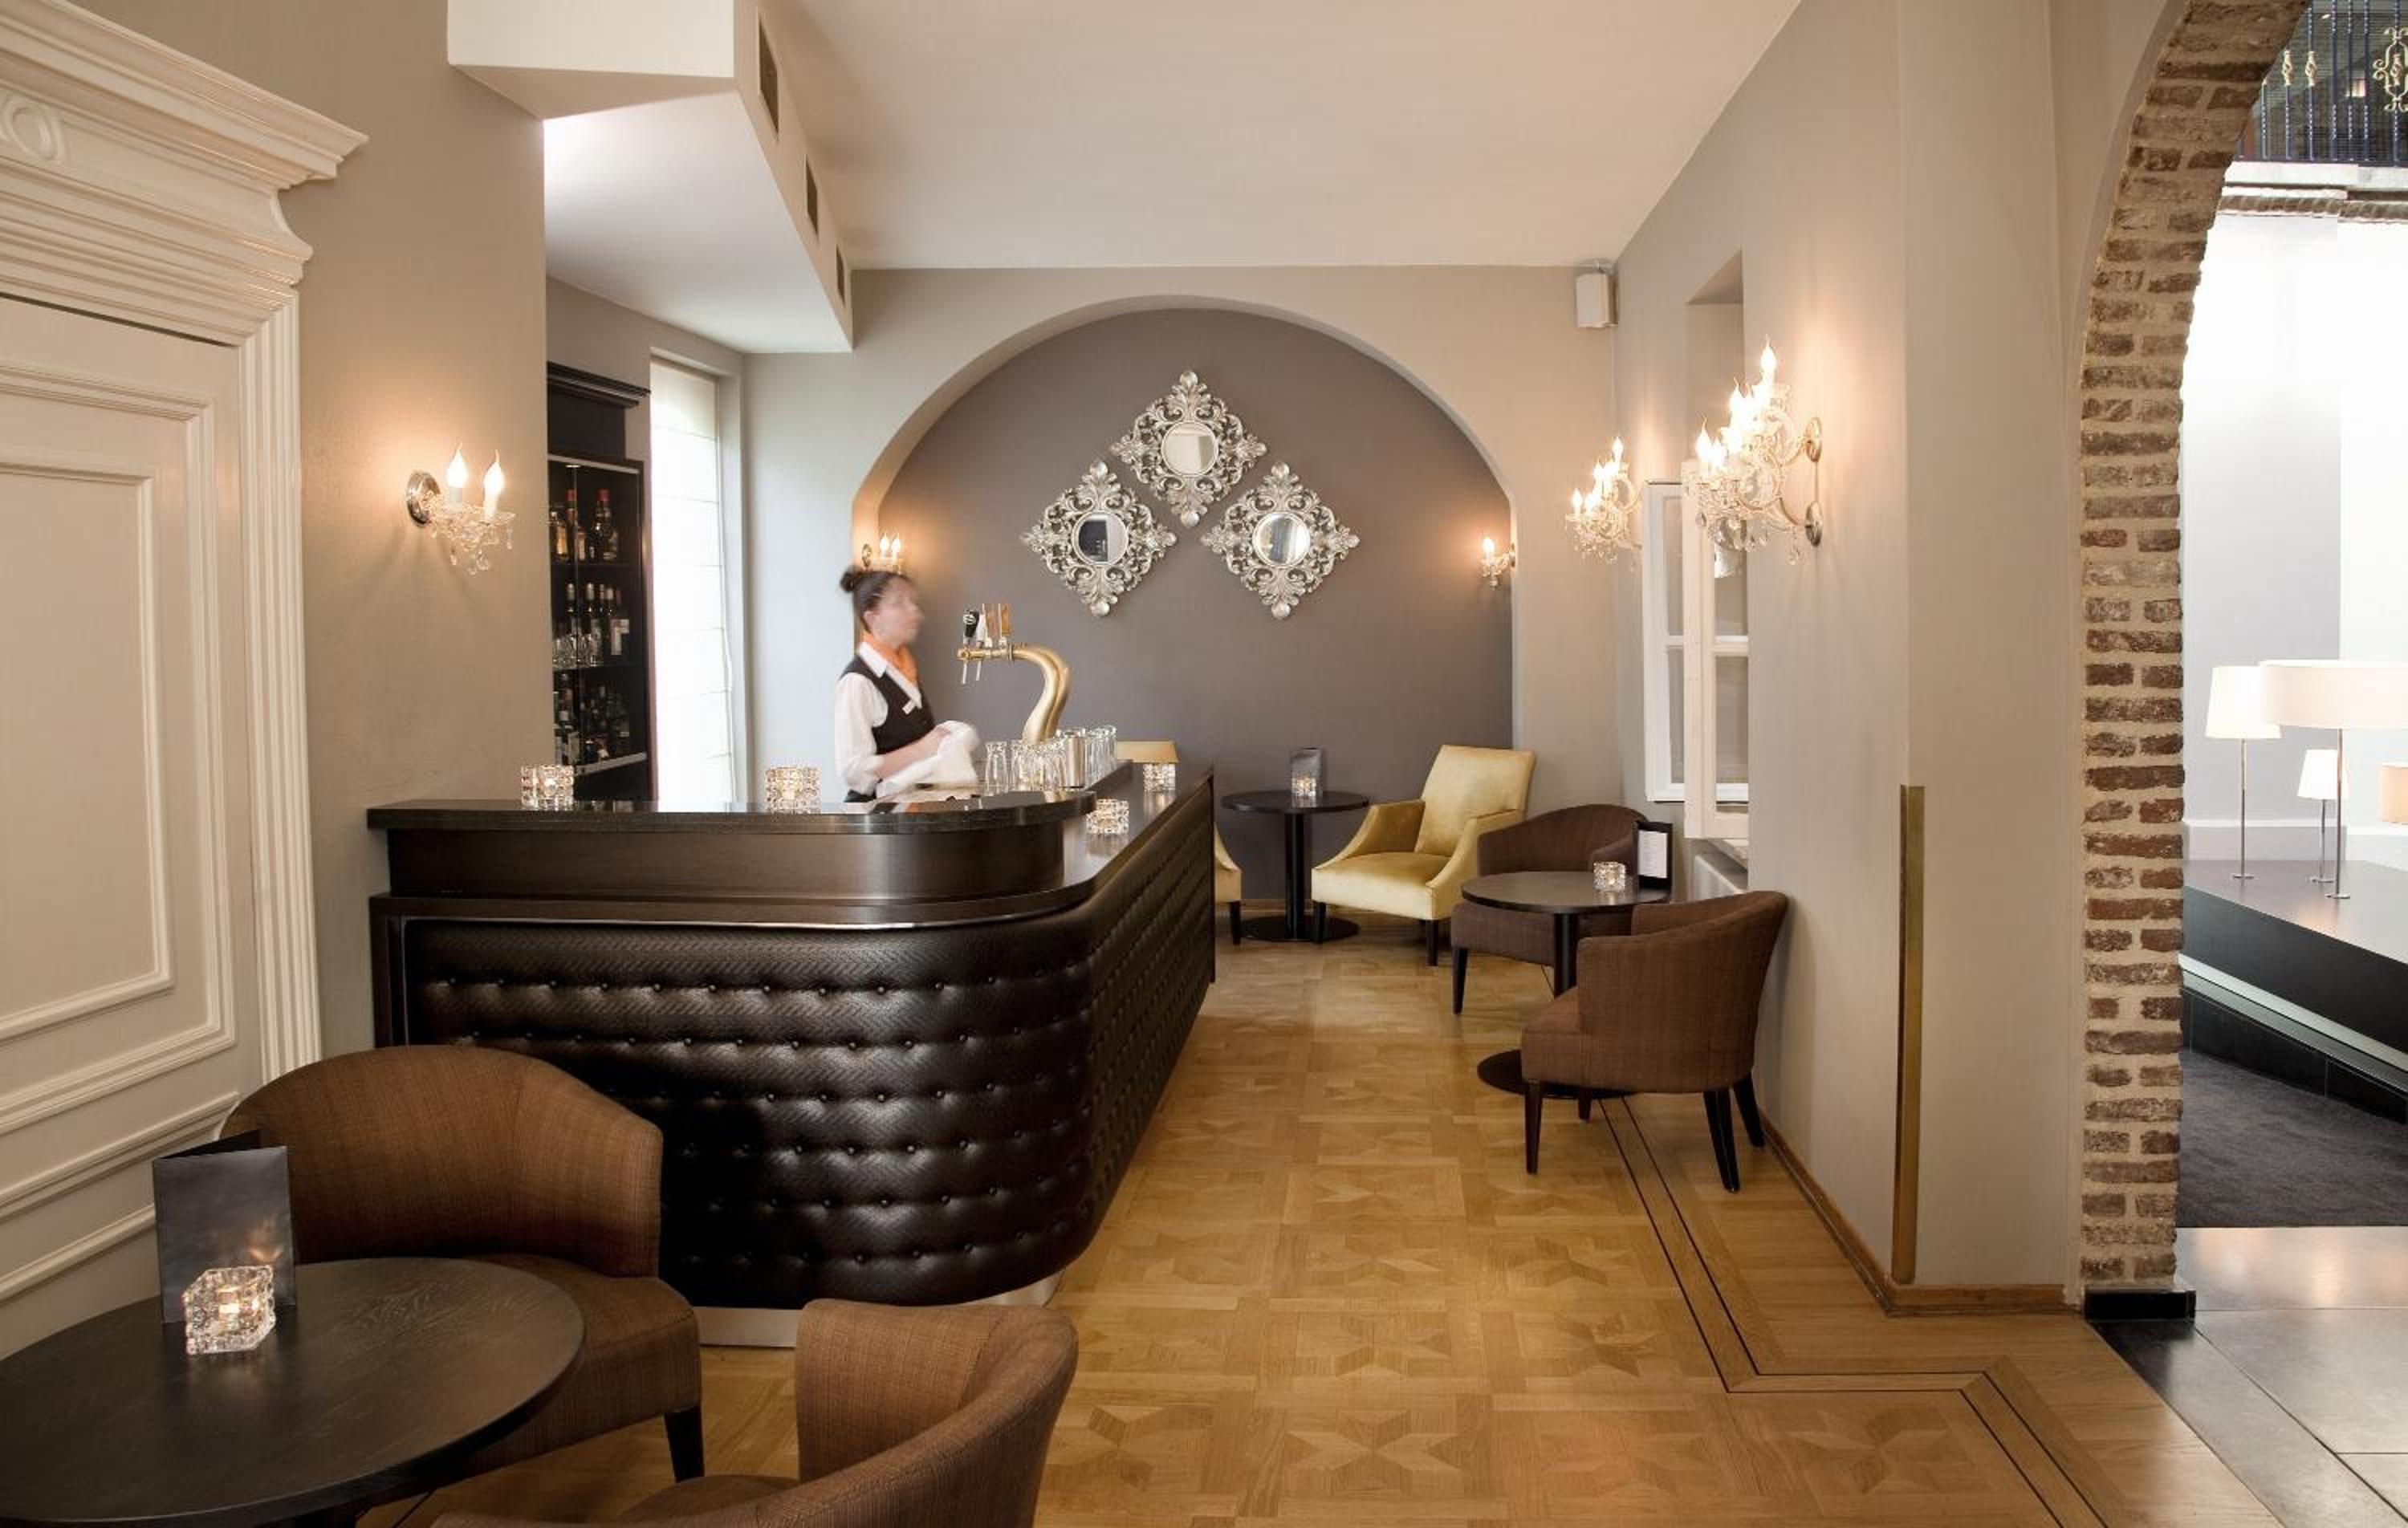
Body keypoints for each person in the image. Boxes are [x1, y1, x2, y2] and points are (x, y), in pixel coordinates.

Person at [832, 567, 977, 801]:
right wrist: (920, 750)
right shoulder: (857, 681)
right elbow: (854, 771)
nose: (915, 612)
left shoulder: (904, 668)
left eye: (913, 602)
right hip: (879, 818)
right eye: (899, 603)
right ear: (872, 618)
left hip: (913, 811)